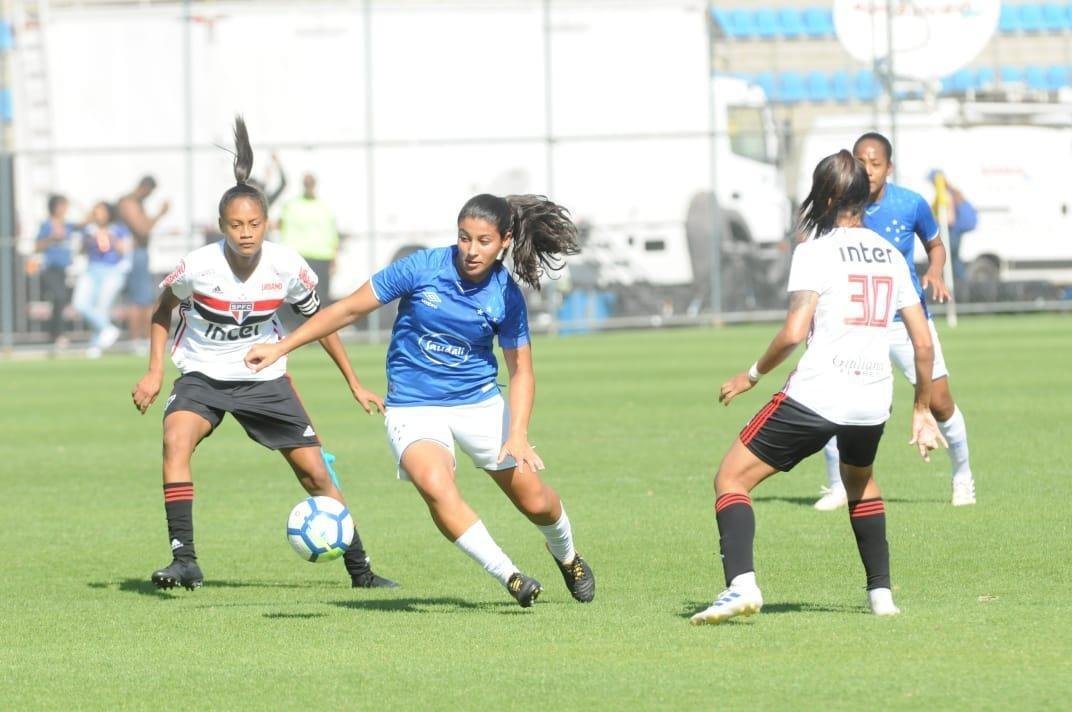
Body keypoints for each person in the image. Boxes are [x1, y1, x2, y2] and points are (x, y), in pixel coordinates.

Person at [245, 193, 595, 609]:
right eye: (464, 238)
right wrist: (282, 347)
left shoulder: (506, 295)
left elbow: (521, 371)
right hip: (413, 406)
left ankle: (568, 556)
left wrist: (517, 434)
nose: (471, 250)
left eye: (483, 241)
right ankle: (510, 576)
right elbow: (348, 310)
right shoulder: (422, 268)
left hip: (478, 404)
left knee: (535, 501)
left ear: (504, 240)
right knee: (434, 484)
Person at [130, 117, 396, 592]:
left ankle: (362, 571)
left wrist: (354, 382)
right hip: (202, 376)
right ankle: (184, 559)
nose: (246, 233)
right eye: (236, 225)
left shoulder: (286, 265)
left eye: (254, 224)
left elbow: (323, 324)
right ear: (221, 227)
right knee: (175, 441)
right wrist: (154, 372)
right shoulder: (198, 267)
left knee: (315, 473)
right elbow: (162, 310)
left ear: (266, 224)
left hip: (265, 380)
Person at [690, 150, 945, 626]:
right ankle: (881, 596)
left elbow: (792, 333)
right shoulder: (891, 254)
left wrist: (749, 375)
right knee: (860, 481)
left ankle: (740, 586)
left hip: (819, 392)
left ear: (826, 196)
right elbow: (923, 342)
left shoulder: (815, 249)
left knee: (730, 478)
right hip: (872, 398)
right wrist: (922, 408)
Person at [813, 132, 977, 511]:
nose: (867, 170)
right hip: (856, 321)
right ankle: (838, 485)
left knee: (938, 401)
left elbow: (935, 245)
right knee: (832, 399)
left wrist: (934, 271)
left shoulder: (910, 204)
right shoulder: (837, 204)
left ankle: (963, 476)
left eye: (875, 163)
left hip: (905, 318)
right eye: (860, 161)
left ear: (890, 167)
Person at [118, 175, 170, 354]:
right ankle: (137, 340)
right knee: (138, 300)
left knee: (144, 299)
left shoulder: (135, 203)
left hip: (140, 254)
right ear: (145, 187)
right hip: (135, 254)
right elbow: (142, 229)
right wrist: (160, 214)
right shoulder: (129, 203)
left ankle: (142, 340)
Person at [73, 201, 132, 358]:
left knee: (102, 308)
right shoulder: (88, 229)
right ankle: (107, 329)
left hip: (111, 271)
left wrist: (110, 238)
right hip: (92, 270)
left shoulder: (118, 229)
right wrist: (88, 236)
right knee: (80, 304)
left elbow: (125, 250)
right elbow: (79, 250)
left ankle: (96, 344)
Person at [278, 173, 338, 307]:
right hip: (301, 257)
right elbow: (283, 229)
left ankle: (321, 326)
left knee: (321, 297)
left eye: (311, 183)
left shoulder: (324, 206)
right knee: (301, 297)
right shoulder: (292, 205)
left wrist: (334, 257)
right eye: (307, 183)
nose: (309, 186)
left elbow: (332, 233)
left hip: (322, 257)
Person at [34, 194, 77, 351]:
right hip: (50, 267)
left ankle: (56, 333)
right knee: (58, 297)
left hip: (64, 268)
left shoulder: (67, 225)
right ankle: (57, 334)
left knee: (61, 301)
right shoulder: (47, 225)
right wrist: (52, 238)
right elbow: (37, 246)